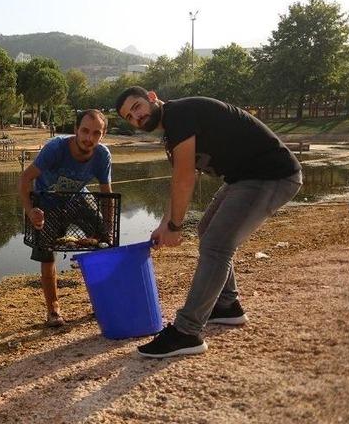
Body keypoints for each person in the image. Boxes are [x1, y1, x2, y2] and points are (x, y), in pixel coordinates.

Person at [115, 86, 302, 358]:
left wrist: (176, 227)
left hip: (272, 175)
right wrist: (165, 224)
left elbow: (185, 178)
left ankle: (187, 332)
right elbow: (180, 181)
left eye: (137, 107)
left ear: (152, 98)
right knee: (207, 231)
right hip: (243, 178)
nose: (136, 117)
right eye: (129, 117)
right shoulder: (172, 131)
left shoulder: (179, 113)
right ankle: (227, 306)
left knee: (216, 245)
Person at [18, 109, 113, 327]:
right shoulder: (55, 149)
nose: (89, 138)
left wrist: (107, 226)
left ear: (103, 135)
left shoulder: (102, 155)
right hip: (47, 200)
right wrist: (30, 210)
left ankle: (104, 302)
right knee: (47, 254)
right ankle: (53, 310)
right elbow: (24, 179)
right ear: (75, 130)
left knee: (104, 242)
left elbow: (106, 194)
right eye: (85, 131)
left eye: (96, 133)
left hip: (78, 197)